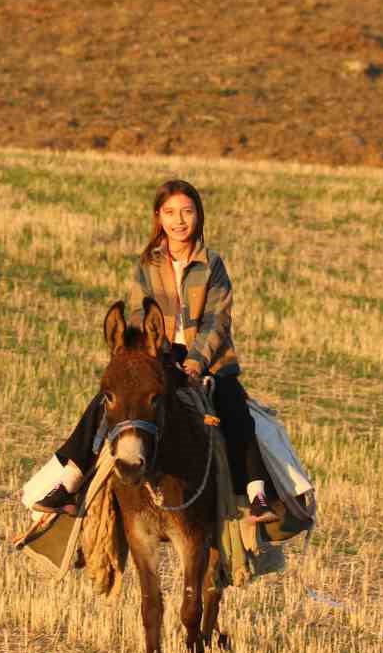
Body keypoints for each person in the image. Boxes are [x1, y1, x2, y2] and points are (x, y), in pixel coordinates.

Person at [32, 179, 278, 523]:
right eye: (170, 213)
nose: (179, 221)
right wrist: (149, 355)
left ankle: (257, 495)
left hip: (208, 362)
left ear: (199, 216)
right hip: (158, 358)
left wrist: (195, 361)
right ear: (158, 218)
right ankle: (70, 484)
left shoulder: (212, 265)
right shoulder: (147, 265)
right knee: (107, 403)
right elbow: (137, 314)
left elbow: (216, 320)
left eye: (187, 212)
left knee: (236, 410)